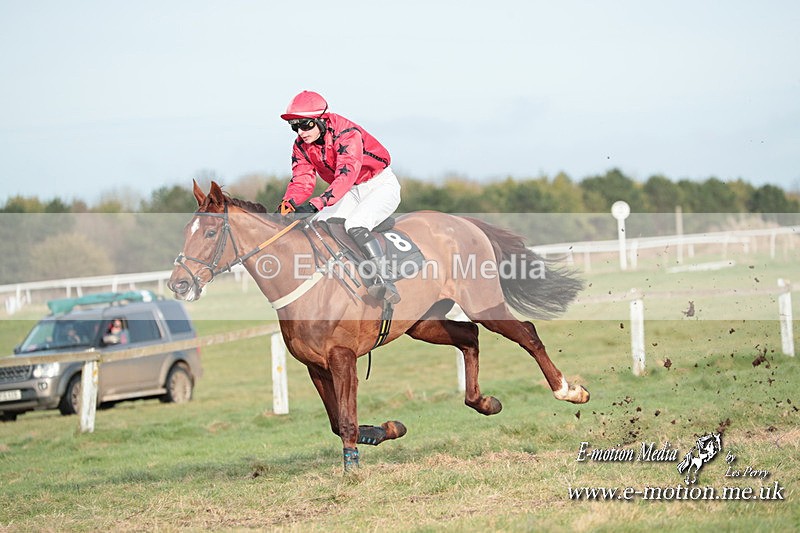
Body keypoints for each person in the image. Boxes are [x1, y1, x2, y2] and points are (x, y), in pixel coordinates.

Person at [277, 90, 402, 304]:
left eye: (306, 125)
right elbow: (302, 179)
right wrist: (289, 204)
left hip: (380, 185)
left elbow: (346, 175)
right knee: (317, 225)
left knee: (355, 224)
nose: (301, 132)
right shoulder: (301, 146)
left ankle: (384, 279)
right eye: (295, 126)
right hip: (351, 190)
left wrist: (317, 203)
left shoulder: (347, 134)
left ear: (321, 120)